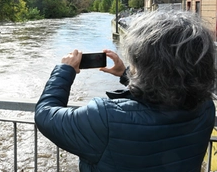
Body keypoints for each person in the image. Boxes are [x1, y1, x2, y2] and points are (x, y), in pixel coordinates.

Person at [35, 10, 216, 172]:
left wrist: (64, 71)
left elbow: (44, 114)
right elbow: (170, 85)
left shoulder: (106, 118)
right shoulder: (205, 108)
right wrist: (126, 74)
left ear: (143, 62)